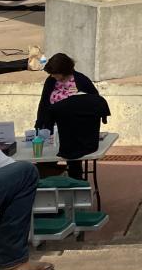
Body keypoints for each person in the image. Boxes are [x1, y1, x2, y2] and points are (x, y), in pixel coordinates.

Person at [0, 140, 54, 270]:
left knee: (23, 174)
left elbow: (12, 175)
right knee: (26, 172)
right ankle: (7, 259)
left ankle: (6, 259)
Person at [35, 52, 99, 180]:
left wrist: (80, 94)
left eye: (55, 73)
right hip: (53, 126)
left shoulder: (80, 80)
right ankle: (49, 184)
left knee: (73, 159)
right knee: (46, 159)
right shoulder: (51, 81)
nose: (52, 76)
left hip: (74, 130)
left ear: (63, 71)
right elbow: (44, 103)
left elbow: (95, 101)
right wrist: (40, 124)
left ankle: (75, 185)